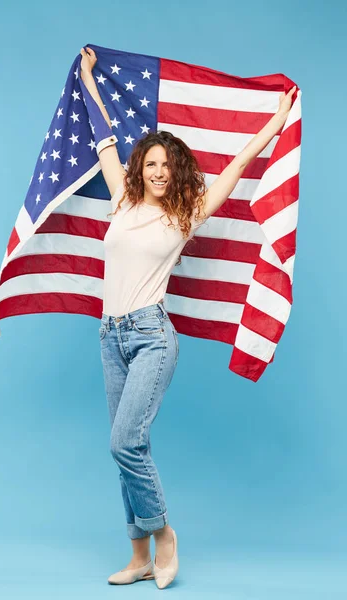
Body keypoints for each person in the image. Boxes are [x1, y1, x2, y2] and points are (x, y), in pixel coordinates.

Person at [80, 46, 296, 589]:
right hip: (110, 337)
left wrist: (275, 122)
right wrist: (88, 79)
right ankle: (138, 555)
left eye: (164, 165)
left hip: (153, 337)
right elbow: (103, 132)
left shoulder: (187, 214)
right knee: (128, 448)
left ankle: (165, 535)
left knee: (124, 442)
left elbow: (239, 166)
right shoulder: (121, 201)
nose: (156, 171)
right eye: (148, 163)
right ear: (139, 169)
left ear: (175, 173)